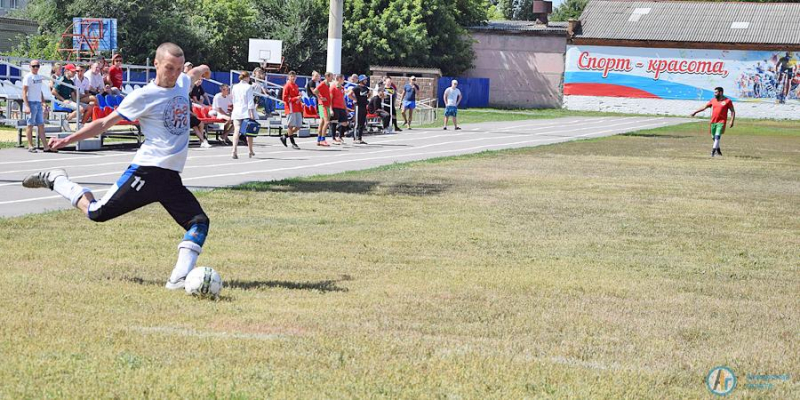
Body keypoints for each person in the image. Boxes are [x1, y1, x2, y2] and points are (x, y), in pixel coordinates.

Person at [21, 43, 212, 291]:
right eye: (168, 68)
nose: (174, 73)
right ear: (156, 65)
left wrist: (204, 69)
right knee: (97, 213)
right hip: (147, 171)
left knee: (198, 222)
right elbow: (104, 123)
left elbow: (193, 73)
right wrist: (67, 140)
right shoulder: (143, 96)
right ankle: (57, 180)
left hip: (170, 178)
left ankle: (178, 279)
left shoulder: (182, 84)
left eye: (177, 68)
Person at [691, 87, 735, 157]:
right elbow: (704, 107)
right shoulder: (713, 100)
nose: (714, 94)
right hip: (713, 121)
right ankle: (718, 150)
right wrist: (695, 112)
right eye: (714, 92)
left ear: (721, 92)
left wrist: (732, 120)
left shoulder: (727, 101)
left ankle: (713, 152)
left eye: (716, 92)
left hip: (721, 122)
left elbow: (732, 111)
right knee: (713, 137)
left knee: (717, 137)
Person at [22, 60, 53, 153]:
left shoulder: (39, 77)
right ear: (30, 66)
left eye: (37, 66)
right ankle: (30, 146)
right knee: (30, 124)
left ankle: (46, 146)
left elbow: (40, 91)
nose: (36, 68)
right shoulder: (28, 77)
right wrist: (27, 106)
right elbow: (24, 92)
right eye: (34, 66)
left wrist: (43, 102)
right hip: (31, 102)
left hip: (38, 102)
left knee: (41, 125)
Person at [230, 70, 257, 159]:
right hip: (246, 111)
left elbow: (233, 99)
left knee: (236, 130)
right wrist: (251, 113)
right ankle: (250, 150)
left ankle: (234, 149)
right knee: (249, 132)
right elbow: (250, 101)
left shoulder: (234, 87)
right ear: (247, 77)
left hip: (237, 110)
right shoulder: (248, 87)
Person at [281, 71, 302, 150]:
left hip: (297, 107)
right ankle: (293, 142)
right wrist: (295, 98)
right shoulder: (287, 86)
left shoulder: (296, 85)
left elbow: (296, 95)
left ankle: (285, 136)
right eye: (291, 77)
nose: (293, 78)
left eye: (294, 77)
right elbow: (285, 98)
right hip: (290, 108)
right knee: (291, 125)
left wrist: (299, 99)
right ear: (288, 77)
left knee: (299, 125)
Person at [313, 71, 332, 146]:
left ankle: (319, 139)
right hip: (323, 105)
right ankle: (323, 139)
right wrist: (320, 98)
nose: (332, 78)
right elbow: (315, 91)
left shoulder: (328, 84)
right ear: (327, 77)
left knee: (322, 122)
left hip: (324, 105)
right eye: (331, 76)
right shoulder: (323, 83)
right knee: (326, 122)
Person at [350, 74, 370, 144]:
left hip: (364, 106)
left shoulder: (366, 88)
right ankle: (355, 138)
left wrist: (366, 99)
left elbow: (369, 94)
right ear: (361, 80)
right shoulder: (357, 88)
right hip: (358, 106)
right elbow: (349, 94)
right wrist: (355, 99)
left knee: (362, 122)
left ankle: (360, 138)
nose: (366, 81)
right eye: (364, 79)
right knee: (357, 122)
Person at [330, 74, 349, 144]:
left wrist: (346, 108)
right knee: (334, 122)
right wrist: (331, 109)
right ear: (339, 79)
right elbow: (330, 99)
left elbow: (343, 99)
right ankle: (333, 138)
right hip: (335, 107)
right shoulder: (333, 87)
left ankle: (340, 136)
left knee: (345, 122)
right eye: (343, 79)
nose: (344, 80)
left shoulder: (342, 88)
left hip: (341, 107)